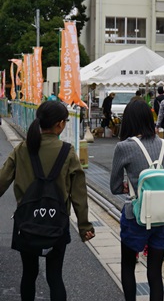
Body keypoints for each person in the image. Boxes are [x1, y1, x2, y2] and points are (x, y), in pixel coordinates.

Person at [0, 100, 95, 301]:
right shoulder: (67, 151)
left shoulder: (22, 149)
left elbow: (2, 182)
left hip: (26, 224)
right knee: (55, 276)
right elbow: (79, 193)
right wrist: (84, 226)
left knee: (28, 274)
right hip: (56, 223)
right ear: (60, 124)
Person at [110, 99, 164, 301]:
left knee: (128, 266)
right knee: (155, 272)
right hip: (163, 217)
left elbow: (114, 187)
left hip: (135, 217)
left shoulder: (124, 147)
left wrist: (131, 185)